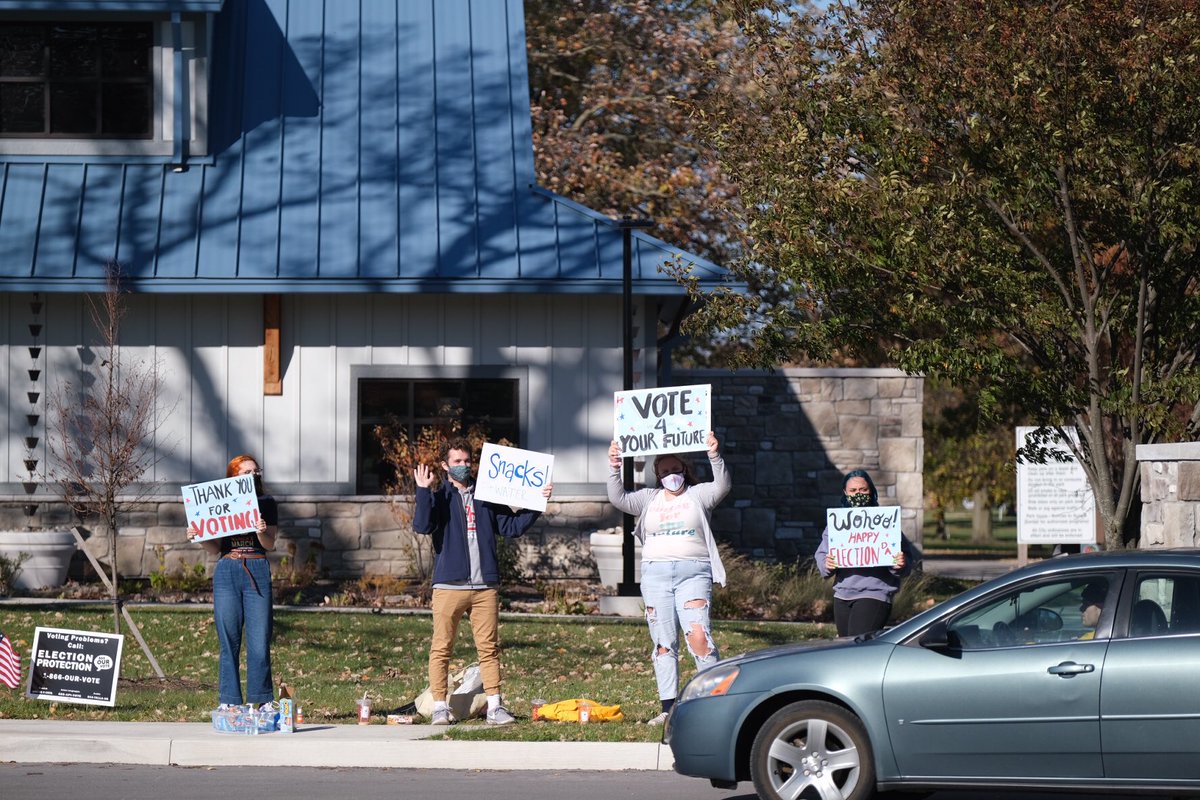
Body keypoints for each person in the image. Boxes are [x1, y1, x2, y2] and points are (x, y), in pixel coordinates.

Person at [412, 437, 552, 726]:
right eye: (457, 462)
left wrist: (537, 503)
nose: (463, 466)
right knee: (441, 647)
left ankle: (495, 707)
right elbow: (423, 526)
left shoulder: (487, 495)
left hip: (484, 586)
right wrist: (423, 492)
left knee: (488, 648)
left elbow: (511, 526)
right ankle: (440, 706)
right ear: (444, 465)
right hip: (449, 585)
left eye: (467, 461)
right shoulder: (440, 498)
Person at [606, 431, 731, 726]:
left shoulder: (698, 495)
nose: (671, 475)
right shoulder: (649, 498)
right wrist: (613, 465)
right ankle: (668, 708)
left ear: (685, 471)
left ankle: (710, 704)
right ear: (657, 475)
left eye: (676, 470)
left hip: (694, 573)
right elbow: (618, 497)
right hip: (655, 576)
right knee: (663, 643)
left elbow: (723, 485)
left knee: (699, 637)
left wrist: (714, 454)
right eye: (664, 472)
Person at [188, 454, 279, 710]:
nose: (253, 476)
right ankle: (229, 702)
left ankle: (261, 700)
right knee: (228, 639)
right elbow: (214, 548)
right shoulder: (220, 502)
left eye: (255, 471)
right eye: (246, 473)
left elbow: (270, 544)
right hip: (228, 568)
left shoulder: (267, 502)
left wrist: (261, 530)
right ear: (233, 477)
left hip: (257, 566)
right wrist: (198, 536)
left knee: (259, 639)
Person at [815, 470, 918, 637]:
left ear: (871, 491)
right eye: (853, 491)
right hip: (842, 594)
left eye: (863, 490)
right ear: (845, 493)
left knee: (857, 646)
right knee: (846, 648)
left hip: (874, 594)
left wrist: (899, 564)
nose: (858, 494)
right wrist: (826, 564)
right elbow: (822, 554)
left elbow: (905, 562)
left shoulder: (885, 523)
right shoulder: (837, 523)